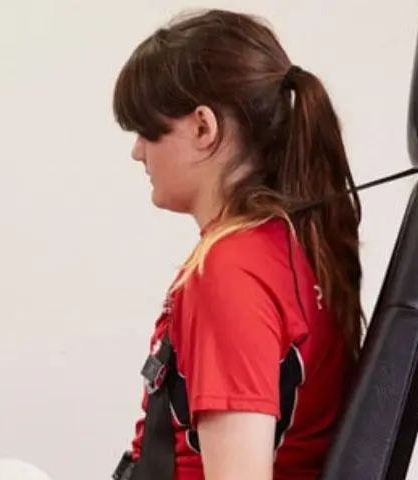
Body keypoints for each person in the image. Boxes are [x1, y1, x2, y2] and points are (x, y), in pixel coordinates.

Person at [109, 9, 363, 480]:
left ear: (203, 128)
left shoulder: (230, 273)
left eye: (147, 131)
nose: (138, 152)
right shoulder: (291, 248)